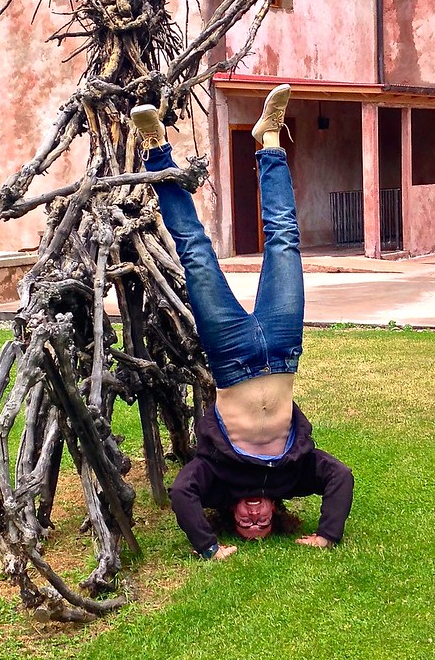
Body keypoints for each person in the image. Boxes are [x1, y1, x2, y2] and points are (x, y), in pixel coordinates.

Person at [130, 85, 354, 561]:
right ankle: (269, 139)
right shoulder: (296, 475)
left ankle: (156, 151)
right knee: (285, 240)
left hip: (230, 357)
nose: (254, 517)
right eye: (263, 523)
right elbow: (341, 477)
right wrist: (328, 534)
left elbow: (182, 494)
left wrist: (209, 547)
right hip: (284, 349)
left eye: (245, 523)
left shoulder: (216, 478)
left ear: (229, 513)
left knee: (195, 253)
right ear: (278, 512)